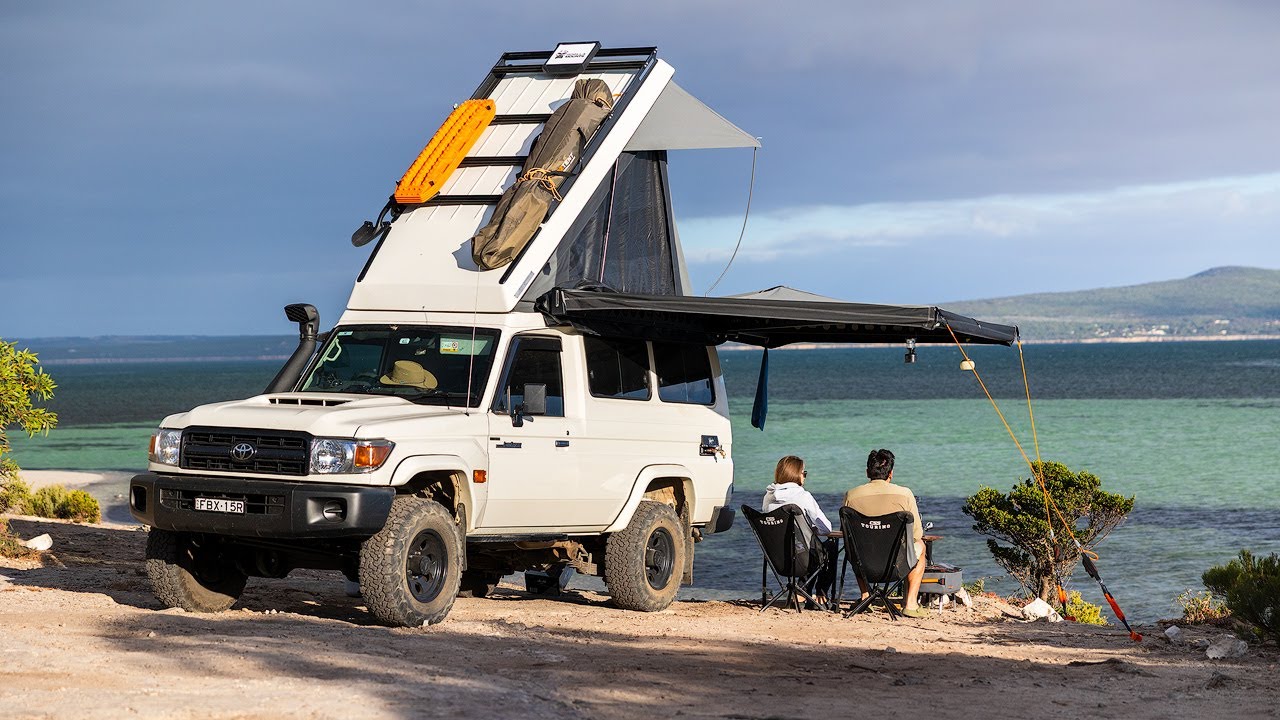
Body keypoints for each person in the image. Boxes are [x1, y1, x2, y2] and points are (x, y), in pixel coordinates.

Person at [843, 448, 930, 619]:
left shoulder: (851, 496)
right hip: (896, 565)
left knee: (854, 546)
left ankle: (865, 597)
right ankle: (911, 604)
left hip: (864, 564)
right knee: (920, 545)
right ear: (891, 473)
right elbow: (916, 534)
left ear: (867, 472)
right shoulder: (905, 494)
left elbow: (846, 534)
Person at [763, 455, 836, 607]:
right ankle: (819, 596)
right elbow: (826, 528)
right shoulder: (803, 496)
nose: (805, 477)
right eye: (804, 473)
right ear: (796, 474)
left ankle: (802, 594)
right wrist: (810, 529)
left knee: (805, 546)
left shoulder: (768, 497)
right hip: (802, 558)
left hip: (777, 559)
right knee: (830, 546)